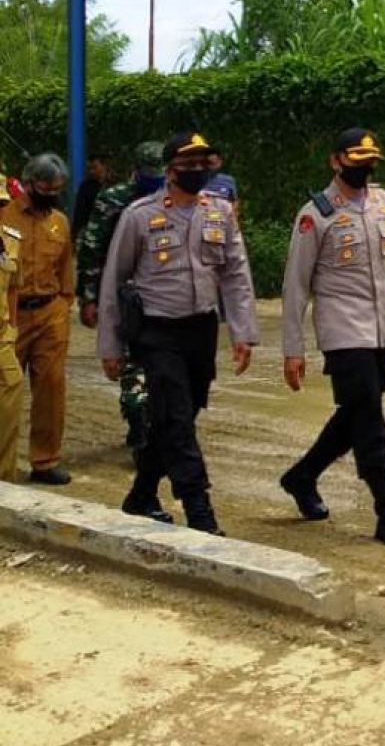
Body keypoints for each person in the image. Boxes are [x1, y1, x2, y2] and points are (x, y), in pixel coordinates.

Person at [280, 128, 385, 548]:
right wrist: (293, 349)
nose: (364, 167)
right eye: (356, 160)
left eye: (370, 161)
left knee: (357, 412)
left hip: (378, 331)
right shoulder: (315, 214)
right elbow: (295, 286)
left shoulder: (384, 203)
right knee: (370, 421)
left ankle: (302, 476)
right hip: (341, 332)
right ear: (336, 161)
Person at [97, 132, 259, 534]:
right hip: (157, 331)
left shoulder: (218, 212)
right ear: (170, 172)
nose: (198, 172)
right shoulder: (139, 216)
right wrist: (110, 345)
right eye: (189, 166)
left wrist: (243, 332)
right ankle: (200, 512)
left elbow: (236, 274)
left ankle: (141, 495)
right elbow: (114, 281)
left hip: (200, 330)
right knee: (179, 422)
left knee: (174, 417)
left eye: (204, 164)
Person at [77, 142, 166, 453]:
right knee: (132, 362)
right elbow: (91, 247)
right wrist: (89, 297)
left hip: (165, 293)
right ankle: (139, 423)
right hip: (125, 295)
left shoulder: (176, 196)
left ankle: (153, 422)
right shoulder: (113, 200)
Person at [0, 154, 75, 484]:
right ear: (28, 183)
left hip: (50, 312)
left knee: (51, 387)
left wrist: (63, 305)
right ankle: (4, 463)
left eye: (58, 189)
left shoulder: (59, 221)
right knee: (6, 390)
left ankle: (45, 460)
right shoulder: (4, 214)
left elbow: (65, 270)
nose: (52, 194)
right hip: (11, 314)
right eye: (46, 188)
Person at [1, 184, 21, 483]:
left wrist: (13, 328)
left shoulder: (11, 240)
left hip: (2, 335)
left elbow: (14, 288)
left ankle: (5, 478)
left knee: (11, 392)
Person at [71, 151, 114, 239]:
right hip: (93, 232)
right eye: (89, 168)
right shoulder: (86, 187)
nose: (92, 171)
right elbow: (80, 212)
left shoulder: (115, 184)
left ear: (104, 166)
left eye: (94, 168)